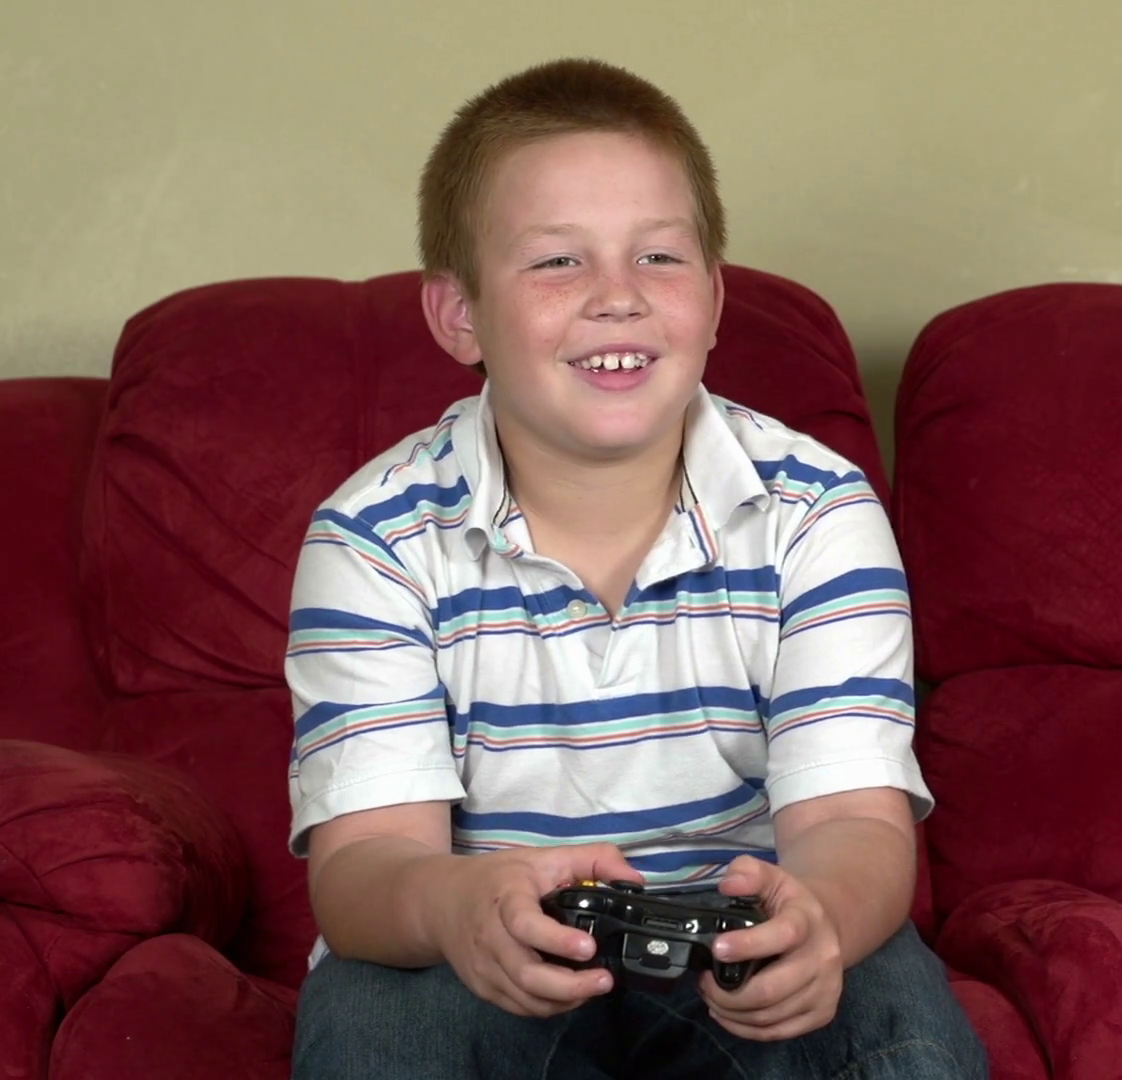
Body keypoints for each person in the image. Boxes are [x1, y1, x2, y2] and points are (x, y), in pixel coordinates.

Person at [285, 56, 986, 1079]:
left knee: (887, 1007)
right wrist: (453, 906)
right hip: (476, 947)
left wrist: (822, 917)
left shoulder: (816, 512)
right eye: (557, 261)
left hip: (734, 939)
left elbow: (850, 820)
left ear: (714, 298)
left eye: (659, 256)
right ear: (460, 315)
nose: (618, 296)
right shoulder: (373, 539)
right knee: (376, 1017)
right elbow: (364, 863)